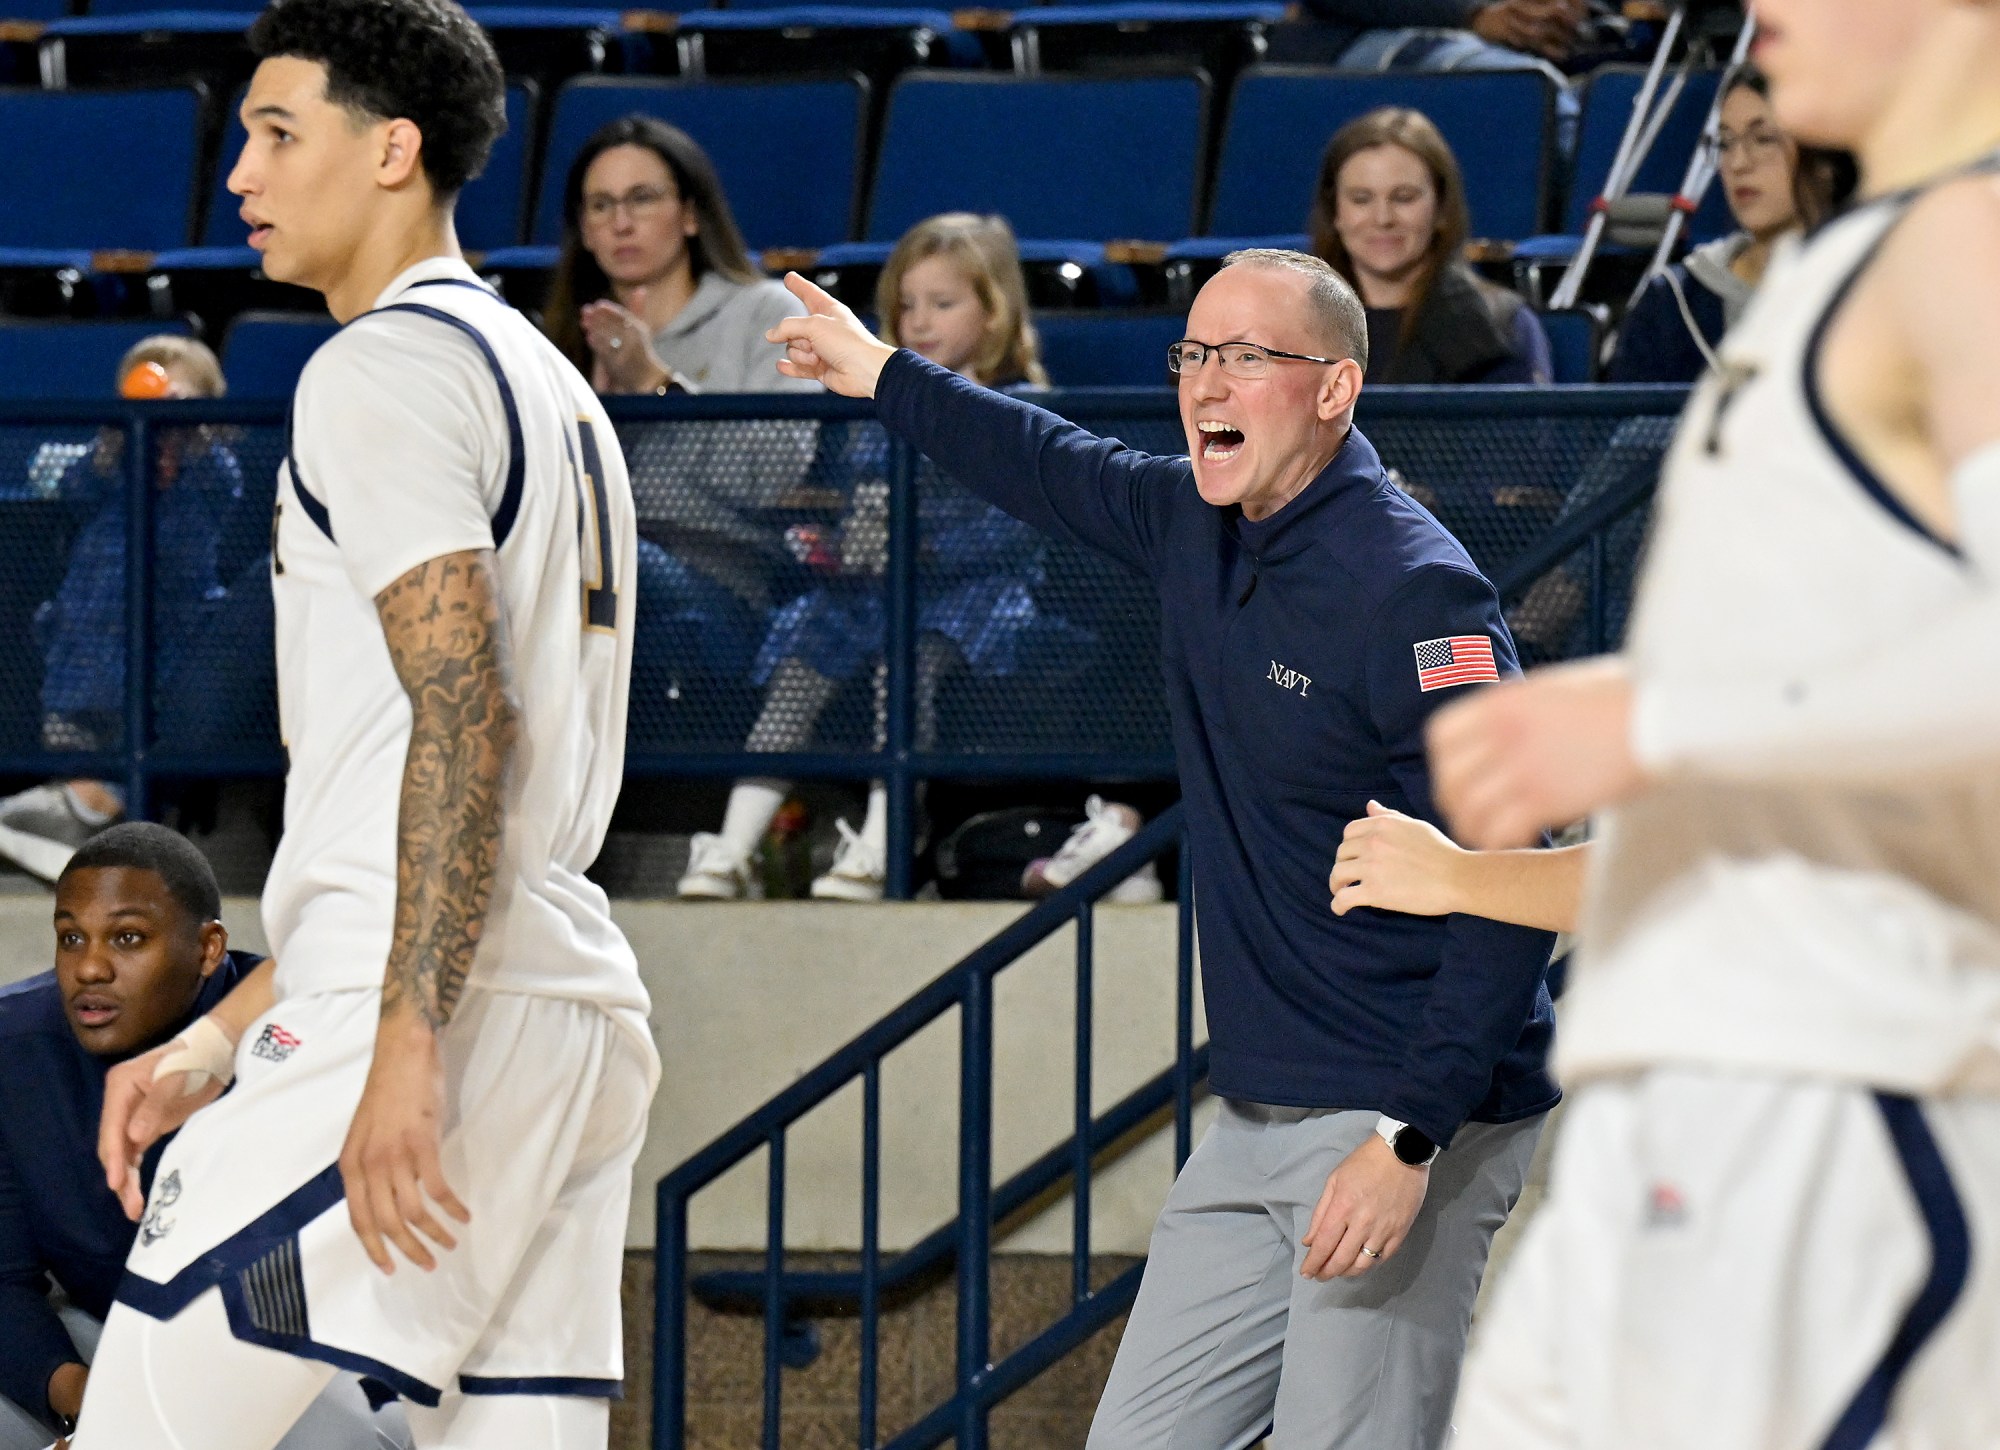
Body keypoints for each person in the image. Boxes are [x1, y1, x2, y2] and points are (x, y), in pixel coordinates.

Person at [767, 247, 1557, 1448]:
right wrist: (880, 372)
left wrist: (1409, 1136)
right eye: (1192, 354)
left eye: (1244, 358)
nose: (1203, 384)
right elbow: (1036, 459)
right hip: (1255, 1109)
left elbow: (1516, 887)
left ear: (1334, 388)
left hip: (1408, 1112)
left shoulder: (1413, 593)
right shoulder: (1195, 519)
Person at [71, 0, 656, 1445]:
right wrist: (225, 1034)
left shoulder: (376, 370)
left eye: (278, 133)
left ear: (393, 150)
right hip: (567, 1005)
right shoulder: (552, 385)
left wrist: (399, 1040)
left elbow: (468, 723)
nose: (240, 177)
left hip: (418, 1013)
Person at [1428, 0, 2000, 1442]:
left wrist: (1664, 722)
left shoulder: (1969, 249)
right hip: (1673, 1062)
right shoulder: (1827, 267)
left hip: (1833, 1077)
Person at [679, 212, 1146, 903]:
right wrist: (833, 545)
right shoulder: (877, 407)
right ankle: (731, 850)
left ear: (992, 315)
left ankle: (880, 841)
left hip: (975, 597)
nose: (919, 321)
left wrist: (922, 546)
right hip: (866, 592)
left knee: (908, 666)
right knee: (797, 664)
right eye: (906, 305)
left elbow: (1015, 525)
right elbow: (848, 498)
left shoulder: (1016, 407)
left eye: (943, 303)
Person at [0, 824, 408, 1450]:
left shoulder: (300, 1041)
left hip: (303, 1352)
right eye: (71, 937)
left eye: (128, 938)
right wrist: (91, 1407)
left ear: (209, 948)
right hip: (111, 1340)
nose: (89, 966)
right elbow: (3, 1281)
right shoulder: (14, 1048)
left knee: (347, 1439)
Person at [544, 113, 817, 697]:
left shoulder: (766, 314)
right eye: (600, 206)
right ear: (584, 232)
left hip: (719, 580)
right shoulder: (558, 340)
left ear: (690, 214)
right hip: (584, 558)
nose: (621, 223)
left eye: (642, 199)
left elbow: (773, 474)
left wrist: (654, 382)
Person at [0, 337, 245, 883]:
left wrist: (186, 431)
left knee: (140, 744)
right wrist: (116, 440)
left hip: (163, 630)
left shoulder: (212, 469)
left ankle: (102, 820)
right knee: (72, 737)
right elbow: (74, 491)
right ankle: (75, 827)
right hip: (89, 630)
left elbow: (221, 487)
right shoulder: (110, 462)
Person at [1608, 62, 1855, 383]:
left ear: (1826, 157)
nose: (1738, 163)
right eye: (1725, 143)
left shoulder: (1875, 290)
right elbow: (1629, 431)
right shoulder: (1673, 303)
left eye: (1763, 139)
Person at [1311, 107, 1552, 385]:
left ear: (1440, 208)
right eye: (1361, 199)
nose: (1383, 218)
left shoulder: (1501, 328)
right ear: (1334, 212)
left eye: (1404, 197)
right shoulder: (1290, 324)